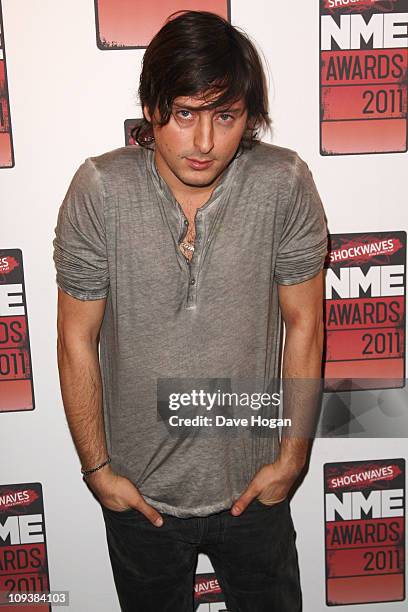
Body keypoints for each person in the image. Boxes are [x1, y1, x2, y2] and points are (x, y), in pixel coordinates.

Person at [53, 10, 328, 612]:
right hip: (140, 499)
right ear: (152, 108)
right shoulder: (99, 189)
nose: (204, 143)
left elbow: (306, 324)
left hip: (254, 492)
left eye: (225, 116)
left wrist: (292, 458)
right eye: (184, 114)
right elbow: (77, 338)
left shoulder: (285, 184)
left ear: (248, 117)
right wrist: (98, 470)